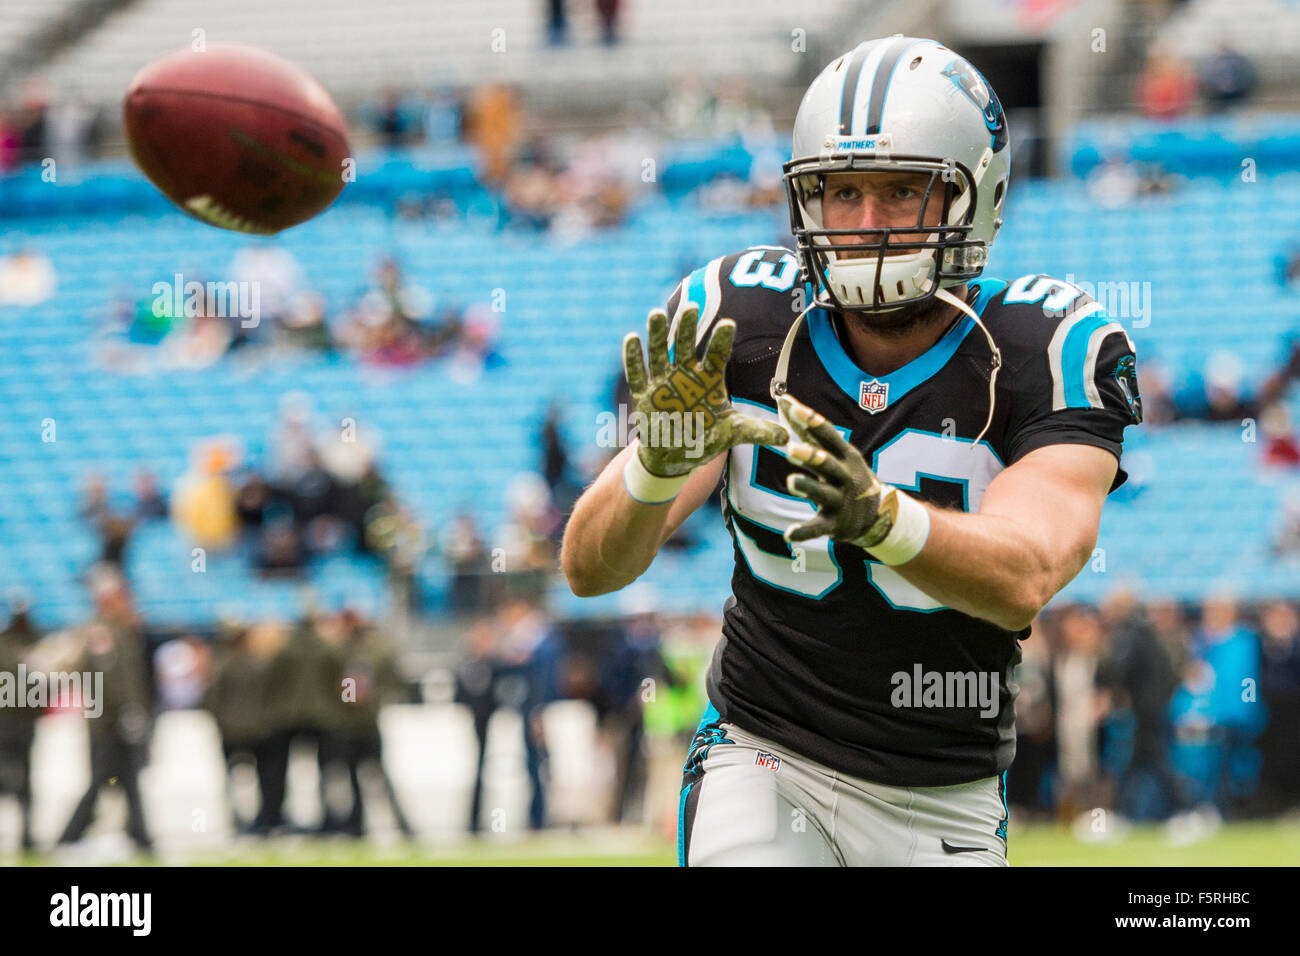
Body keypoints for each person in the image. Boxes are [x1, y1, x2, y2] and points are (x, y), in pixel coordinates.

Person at [561, 37, 1143, 866]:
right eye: (841, 193)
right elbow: (591, 569)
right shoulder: (741, 320)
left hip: (944, 785)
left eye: (901, 192)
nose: (866, 224)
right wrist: (653, 467)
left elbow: (1026, 575)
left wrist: (880, 519)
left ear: (975, 197)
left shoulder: (1043, 344)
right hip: (764, 754)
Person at [0, 593, 41, 852]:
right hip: (6, 722)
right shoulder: (9, 646)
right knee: (8, 778)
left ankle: (27, 834)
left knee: (25, 780)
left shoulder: (33, 644)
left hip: (24, 723)